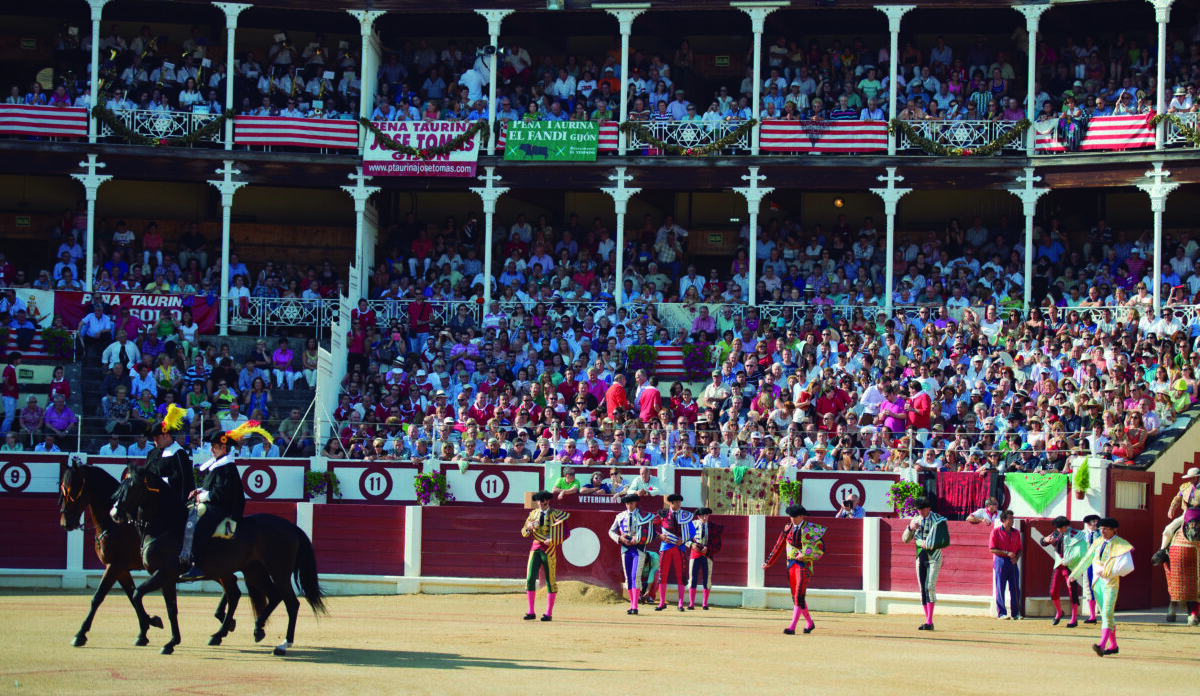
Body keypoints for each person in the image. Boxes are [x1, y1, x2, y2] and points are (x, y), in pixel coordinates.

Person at [179, 422, 268, 581]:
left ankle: (197, 566)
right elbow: (212, 488)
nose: (212, 449)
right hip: (216, 505)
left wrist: (201, 497)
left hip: (222, 509)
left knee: (200, 528)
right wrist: (199, 490)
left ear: (224, 448)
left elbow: (220, 493)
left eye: (215, 447)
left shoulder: (226, 467)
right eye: (212, 446)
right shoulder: (220, 465)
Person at [1070, 517, 1135, 657]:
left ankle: (1102, 644)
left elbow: (1128, 566)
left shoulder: (1121, 544)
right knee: (1106, 614)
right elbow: (1087, 559)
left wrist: (1108, 572)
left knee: (1107, 613)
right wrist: (1074, 575)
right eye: (1101, 529)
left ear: (1113, 530)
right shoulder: (1098, 542)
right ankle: (1113, 646)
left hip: (1110, 582)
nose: (1102, 531)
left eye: (1105, 529)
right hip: (1097, 582)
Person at [763, 504, 826, 634]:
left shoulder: (811, 529)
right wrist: (769, 562)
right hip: (791, 564)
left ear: (801, 516)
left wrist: (806, 554)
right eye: (790, 517)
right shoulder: (788, 528)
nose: (792, 519)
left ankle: (792, 627)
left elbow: (820, 548)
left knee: (799, 594)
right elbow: (779, 544)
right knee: (796, 596)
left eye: (794, 517)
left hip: (804, 565)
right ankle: (810, 623)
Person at [520, 490, 569, 622]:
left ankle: (548, 613)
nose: (540, 503)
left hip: (549, 549)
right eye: (538, 501)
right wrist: (528, 528)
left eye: (542, 501)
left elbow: (566, 533)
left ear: (548, 501)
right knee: (530, 578)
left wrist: (553, 540)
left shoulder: (556, 514)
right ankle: (531, 611)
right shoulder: (533, 514)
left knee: (550, 581)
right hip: (535, 548)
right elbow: (524, 532)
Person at [901, 497, 949, 631]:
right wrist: (910, 528)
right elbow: (905, 539)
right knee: (923, 587)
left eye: (922, 509)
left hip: (934, 557)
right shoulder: (915, 520)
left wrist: (928, 544)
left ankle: (929, 621)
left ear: (928, 508)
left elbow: (945, 540)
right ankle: (928, 621)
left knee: (929, 587)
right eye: (918, 509)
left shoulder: (938, 520)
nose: (920, 512)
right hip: (920, 557)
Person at [609, 494, 655, 615]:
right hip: (625, 549)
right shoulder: (620, 516)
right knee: (628, 577)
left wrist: (637, 538)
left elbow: (648, 530)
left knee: (635, 576)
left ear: (635, 503)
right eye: (627, 503)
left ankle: (635, 606)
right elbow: (611, 531)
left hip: (638, 548)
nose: (629, 505)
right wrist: (620, 538)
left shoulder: (643, 515)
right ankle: (632, 604)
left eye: (631, 503)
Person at [1040, 515, 1087, 627]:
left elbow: (1081, 550)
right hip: (1059, 565)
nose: (1059, 530)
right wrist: (1045, 540)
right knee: (1053, 591)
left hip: (1070, 566)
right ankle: (1059, 612)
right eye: (1057, 528)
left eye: (1060, 528)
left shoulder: (1076, 534)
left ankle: (1074, 619)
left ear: (1066, 526)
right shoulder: (1056, 533)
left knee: (1072, 592)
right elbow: (1043, 542)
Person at [142, 404, 194, 503]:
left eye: (157, 438)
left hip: (173, 500)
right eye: (153, 438)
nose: (154, 441)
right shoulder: (152, 453)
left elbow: (181, 479)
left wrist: (157, 481)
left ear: (166, 436)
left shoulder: (178, 453)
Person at [655, 493, 694, 612]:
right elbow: (651, 527)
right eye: (676, 502)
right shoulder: (662, 514)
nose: (678, 504)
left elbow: (692, 531)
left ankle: (680, 603)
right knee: (663, 574)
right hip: (665, 547)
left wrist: (684, 539)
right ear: (670, 503)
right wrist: (660, 536)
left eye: (679, 502)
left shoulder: (685, 515)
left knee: (681, 575)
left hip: (679, 547)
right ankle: (662, 602)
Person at [989, 510, 1023, 620]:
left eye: (1013, 519)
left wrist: (1016, 558)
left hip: (1013, 562)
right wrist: (1007, 553)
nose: (1012, 521)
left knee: (1015, 588)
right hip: (1001, 562)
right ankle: (1002, 613)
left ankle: (1015, 613)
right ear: (1003, 520)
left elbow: (1020, 549)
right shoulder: (996, 532)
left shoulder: (1016, 532)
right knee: (1000, 587)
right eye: (1010, 519)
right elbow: (992, 549)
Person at [685, 507, 720, 610]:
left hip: (707, 554)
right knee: (693, 577)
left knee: (707, 578)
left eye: (706, 515)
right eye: (702, 516)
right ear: (698, 516)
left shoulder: (713, 526)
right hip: (695, 553)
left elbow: (717, 542)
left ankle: (705, 603)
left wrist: (709, 549)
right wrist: (691, 545)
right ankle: (691, 603)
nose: (705, 518)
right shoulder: (692, 524)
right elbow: (685, 537)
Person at [1, 352, 19, 435]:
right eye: (19, 358)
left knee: (10, 418)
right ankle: (2, 436)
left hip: (11, 396)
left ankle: (6, 435)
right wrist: (8, 387)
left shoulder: (12, 369)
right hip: (9, 396)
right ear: (15, 360)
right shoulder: (9, 368)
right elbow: (4, 378)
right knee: (9, 418)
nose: (20, 360)